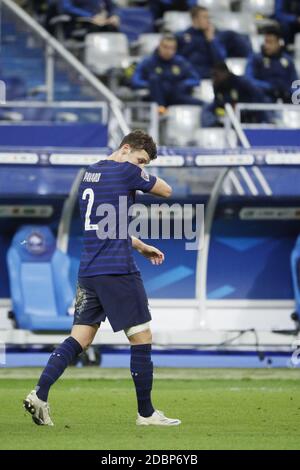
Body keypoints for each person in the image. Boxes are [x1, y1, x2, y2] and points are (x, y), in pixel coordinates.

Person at [23, 130, 181, 427]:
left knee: (80, 338)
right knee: (142, 337)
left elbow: (107, 225)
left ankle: (40, 395)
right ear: (125, 149)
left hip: (90, 270)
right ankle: (146, 414)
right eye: (141, 160)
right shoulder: (126, 171)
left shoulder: (90, 173)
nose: (141, 167)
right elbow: (167, 191)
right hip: (117, 270)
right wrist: (140, 173)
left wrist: (142, 245)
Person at [132, 34, 202, 114]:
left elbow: (196, 79)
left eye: (172, 48)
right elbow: (135, 81)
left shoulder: (181, 62)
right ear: (159, 46)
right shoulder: (148, 62)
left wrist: (184, 84)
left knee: (203, 104)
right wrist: (149, 85)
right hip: (154, 97)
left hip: (176, 96)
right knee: (154, 79)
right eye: (165, 47)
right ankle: (161, 109)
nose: (168, 51)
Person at [202, 62, 266, 127]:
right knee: (207, 108)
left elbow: (257, 96)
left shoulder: (241, 82)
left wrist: (239, 108)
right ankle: (215, 125)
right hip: (226, 112)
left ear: (225, 73)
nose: (214, 78)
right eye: (212, 76)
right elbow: (218, 104)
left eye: (216, 75)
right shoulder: (216, 85)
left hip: (244, 111)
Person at [246, 27, 298, 103]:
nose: (267, 46)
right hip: (262, 98)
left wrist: (288, 92)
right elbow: (248, 80)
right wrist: (269, 87)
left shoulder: (288, 60)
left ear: (278, 43)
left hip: (286, 98)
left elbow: (295, 82)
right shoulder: (255, 59)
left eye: (270, 42)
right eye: (266, 42)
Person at [176, 6, 226, 79]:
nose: (208, 20)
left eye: (208, 17)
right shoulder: (182, 36)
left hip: (209, 77)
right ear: (195, 19)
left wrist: (211, 41)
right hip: (188, 76)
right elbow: (177, 59)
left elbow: (220, 61)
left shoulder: (214, 36)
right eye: (205, 17)